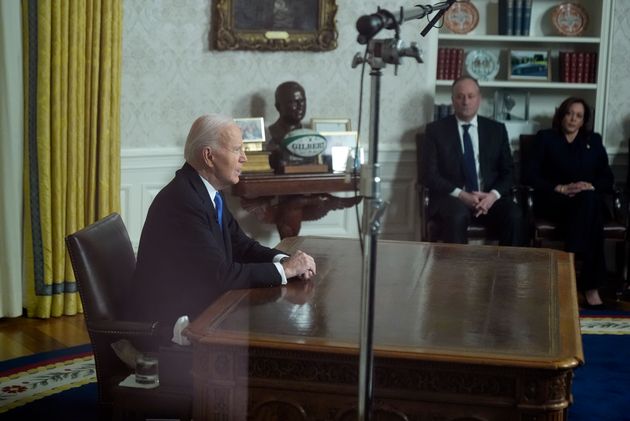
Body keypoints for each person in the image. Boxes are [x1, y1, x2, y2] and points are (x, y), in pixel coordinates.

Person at [131, 114, 317, 334]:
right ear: (209, 156)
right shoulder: (184, 202)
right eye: (237, 149)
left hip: (202, 308)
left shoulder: (207, 192)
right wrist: (285, 270)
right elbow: (220, 276)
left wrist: (286, 262)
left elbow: (242, 246)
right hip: (171, 327)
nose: (244, 158)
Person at [524, 97, 613, 308]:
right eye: (569, 113)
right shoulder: (546, 138)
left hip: (585, 202)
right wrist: (560, 188)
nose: (573, 119)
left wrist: (589, 185)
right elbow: (529, 175)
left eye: (579, 115)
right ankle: (590, 288)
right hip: (555, 202)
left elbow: (607, 178)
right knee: (590, 211)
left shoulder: (594, 141)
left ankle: (569, 271)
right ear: (562, 115)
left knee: (588, 200)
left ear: (584, 121)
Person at [421, 76, 525, 246]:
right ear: (452, 100)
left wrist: (492, 196)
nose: (465, 102)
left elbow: (508, 172)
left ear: (479, 99)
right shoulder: (436, 130)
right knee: (457, 215)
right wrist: (462, 195)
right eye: (460, 96)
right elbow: (429, 175)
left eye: (471, 96)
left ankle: (508, 271)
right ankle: (457, 271)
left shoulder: (496, 130)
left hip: (488, 197)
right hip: (452, 198)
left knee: (513, 214)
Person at [267, 81, 307, 171]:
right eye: (294, 102)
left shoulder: (311, 137)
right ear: (278, 106)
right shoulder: (270, 135)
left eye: (302, 101)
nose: (300, 106)